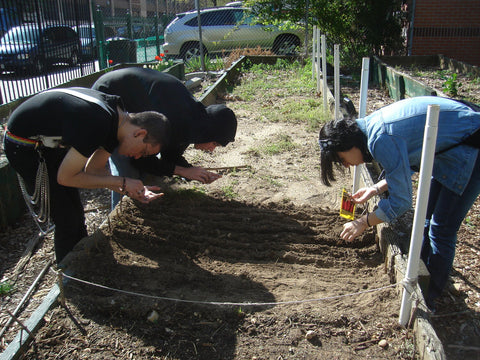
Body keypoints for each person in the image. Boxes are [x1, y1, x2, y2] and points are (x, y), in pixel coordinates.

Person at [318, 96, 480, 311]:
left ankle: (431, 296)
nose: (346, 165)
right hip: (451, 147)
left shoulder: (381, 139)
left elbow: (402, 202)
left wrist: (364, 222)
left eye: (341, 159)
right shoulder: (371, 128)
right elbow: (407, 159)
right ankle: (423, 269)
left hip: (471, 146)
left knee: (441, 229)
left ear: (348, 145)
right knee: (426, 219)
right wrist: (376, 188)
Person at [3, 87, 170, 263]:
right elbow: (65, 178)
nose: (137, 157)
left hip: (49, 145)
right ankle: (69, 276)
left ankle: (83, 258)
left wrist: (131, 189)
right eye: (143, 151)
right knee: (65, 218)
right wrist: (123, 182)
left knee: (75, 211)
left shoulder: (118, 122)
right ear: (140, 133)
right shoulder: (97, 122)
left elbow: (94, 171)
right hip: (24, 146)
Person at [91, 67, 237, 209]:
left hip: (134, 100)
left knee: (142, 170)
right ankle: (121, 213)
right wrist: (183, 171)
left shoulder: (192, 123)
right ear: (209, 132)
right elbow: (140, 158)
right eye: (215, 143)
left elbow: (170, 154)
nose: (212, 149)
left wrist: (192, 171)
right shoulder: (178, 120)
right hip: (108, 95)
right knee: (128, 168)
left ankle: (141, 205)